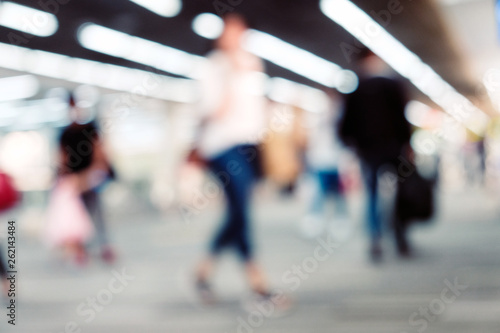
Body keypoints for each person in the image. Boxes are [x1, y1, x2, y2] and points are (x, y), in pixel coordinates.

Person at [192, 13, 277, 304]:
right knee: (240, 211)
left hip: (248, 146)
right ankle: (258, 283)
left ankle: (203, 273)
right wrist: (231, 75)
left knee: (237, 212)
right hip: (221, 146)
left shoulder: (254, 65)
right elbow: (212, 110)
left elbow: (256, 111)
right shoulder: (213, 67)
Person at [338, 49, 412, 261]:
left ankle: (375, 238)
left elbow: (345, 124)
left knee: (371, 194)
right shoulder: (393, 86)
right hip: (393, 148)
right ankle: (399, 234)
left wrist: (351, 144)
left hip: (367, 151)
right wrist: (407, 145)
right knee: (398, 193)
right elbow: (402, 118)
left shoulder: (356, 90)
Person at [300, 92, 350, 240]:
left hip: (337, 162)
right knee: (318, 193)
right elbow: (310, 140)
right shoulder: (317, 118)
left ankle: (340, 220)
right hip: (320, 161)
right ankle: (315, 220)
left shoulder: (341, 120)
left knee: (339, 194)